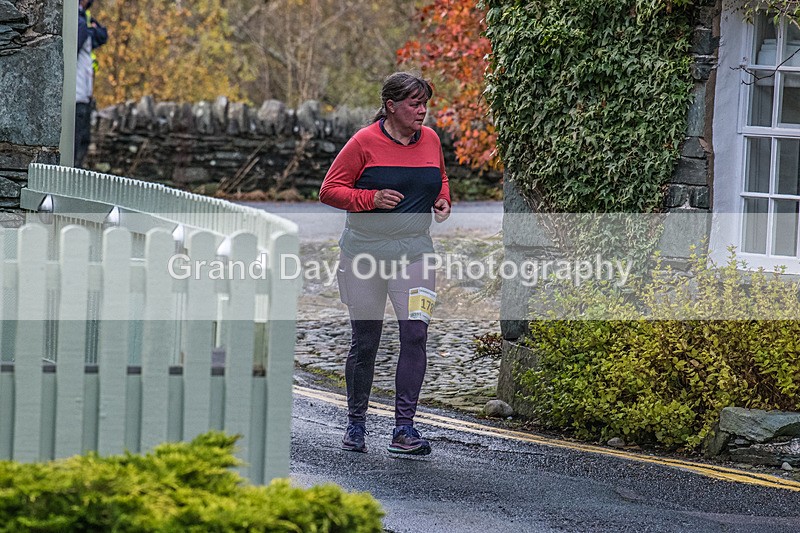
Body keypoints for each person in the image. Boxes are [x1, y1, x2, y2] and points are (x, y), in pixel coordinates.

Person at [319, 72, 451, 456]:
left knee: (415, 335)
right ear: (391, 106)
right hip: (364, 255)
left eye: (425, 102)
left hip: (415, 253)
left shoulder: (430, 140)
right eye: (414, 103)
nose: (422, 110)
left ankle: (404, 428)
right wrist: (370, 199)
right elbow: (330, 190)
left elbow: (439, 177)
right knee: (366, 342)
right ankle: (356, 424)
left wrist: (443, 199)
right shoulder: (363, 142)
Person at [75, 0, 108, 168]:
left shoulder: (84, 19)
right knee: (76, 142)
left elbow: (102, 35)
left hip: (84, 93)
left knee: (83, 140)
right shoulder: (80, 24)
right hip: (77, 93)